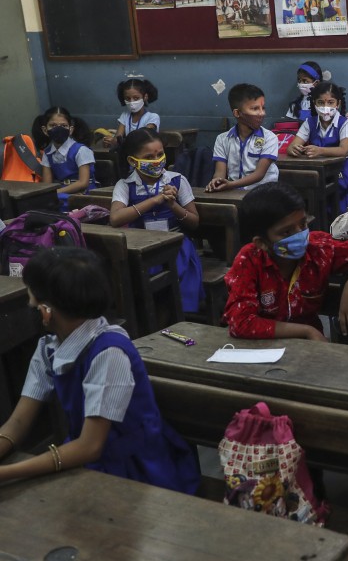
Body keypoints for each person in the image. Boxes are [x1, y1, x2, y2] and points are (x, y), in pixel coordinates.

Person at [0, 248, 200, 493]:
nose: (30, 305)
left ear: (45, 311)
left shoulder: (109, 352)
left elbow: (90, 446)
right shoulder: (50, 348)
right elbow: (18, 422)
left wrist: (7, 473)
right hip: (82, 459)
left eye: (31, 300)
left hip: (134, 471)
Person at [222, 182, 348, 341]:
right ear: (262, 243)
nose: (299, 234)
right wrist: (306, 331)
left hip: (310, 349)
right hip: (262, 346)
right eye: (286, 232)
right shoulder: (249, 259)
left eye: (302, 224)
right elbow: (240, 323)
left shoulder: (318, 248)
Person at [108, 129, 203, 313]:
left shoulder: (177, 180)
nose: (156, 160)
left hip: (176, 246)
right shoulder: (125, 185)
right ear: (132, 161)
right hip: (142, 249)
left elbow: (194, 222)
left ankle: (178, 319)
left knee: (177, 288)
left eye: (160, 154)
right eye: (149, 157)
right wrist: (154, 200)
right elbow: (115, 218)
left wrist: (173, 205)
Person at [286, 81, 348, 212]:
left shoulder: (346, 123)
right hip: (319, 172)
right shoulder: (309, 123)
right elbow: (293, 145)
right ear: (314, 103)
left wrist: (319, 151)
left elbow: (343, 150)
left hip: (343, 171)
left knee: (343, 209)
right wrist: (294, 149)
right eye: (320, 102)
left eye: (330, 102)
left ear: (338, 104)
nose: (325, 107)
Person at [206, 83, 279, 192]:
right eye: (255, 109)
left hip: (264, 193)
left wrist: (230, 185)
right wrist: (216, 182)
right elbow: (219, 173)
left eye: (263, 108)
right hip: (233, 192)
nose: (262, 113)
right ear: (237, 113)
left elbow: (259, 174)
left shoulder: (269, 138)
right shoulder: (222, 139)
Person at [37, 106, 96, 210]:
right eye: (53, 125)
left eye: (64, 125)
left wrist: (56, 192)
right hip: (61, 194)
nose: (58, 129)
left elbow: (83, 183)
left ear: (70, 129)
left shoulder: (81, 150)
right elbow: (46, 185)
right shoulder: (47, 153)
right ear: (45, 130)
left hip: (84, 193)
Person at [103, 78, 160, 148]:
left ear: (145, 97)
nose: (131, 102)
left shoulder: (153, 117)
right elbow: (118, 138)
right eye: (128, 98)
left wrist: (120, 141)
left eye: (136, 98)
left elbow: (143, 139)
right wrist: (110, 141)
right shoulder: (125, 116)